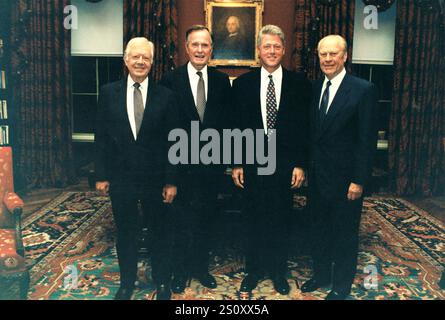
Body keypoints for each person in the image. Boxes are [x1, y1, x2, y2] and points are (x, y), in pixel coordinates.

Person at [95, 37, 179, 300]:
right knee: (127, 233)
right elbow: (102, 138)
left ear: (152, 62)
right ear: (126, 60)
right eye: (136, 57)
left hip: (157, 179)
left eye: (146, 57)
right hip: (122, 179)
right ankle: (126, 282)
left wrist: (171, 181)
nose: (140, 62)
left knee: (160, 232)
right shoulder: (109, 93)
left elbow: (175, 141)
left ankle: (162, 282)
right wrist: (101, 175)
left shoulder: (167, 96)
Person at [231, 25, 311, 295]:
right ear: (258, 50)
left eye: (277, 46)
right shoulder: (243, 84)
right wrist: (237, 163)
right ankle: (253, 271)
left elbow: (305, 128)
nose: (272, 51)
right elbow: (236, 127)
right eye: (267, 46)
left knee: (281, 219)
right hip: (252, 165)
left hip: (285, 165)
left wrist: (300, 163)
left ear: (284, 50)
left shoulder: (300, 84)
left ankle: (278, 271)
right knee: (252, 219)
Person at [301, 35, 378, 300]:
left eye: (333, 54)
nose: (328, 59)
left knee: (344, 235)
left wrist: (359, 180)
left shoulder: (362, 89)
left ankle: (342, 285)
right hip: (317, 178)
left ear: (345, 56)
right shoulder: (314, 87)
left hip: (347, 182)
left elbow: (367, 141)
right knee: (318, 231)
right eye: (323, 54)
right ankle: (321, 274)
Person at [159, 25, 231, 294]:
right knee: (178, 223)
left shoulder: (222, 82)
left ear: (212, 50)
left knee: (205, 220)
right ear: (186, 47)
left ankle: (201, 268)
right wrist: (169, 175)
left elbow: (228, 127)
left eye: (205, 45)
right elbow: (164, 130)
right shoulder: (169, 80)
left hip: (211, 169)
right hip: (180, 168)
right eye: (195, 45)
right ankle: (179, 271)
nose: (200, 50)